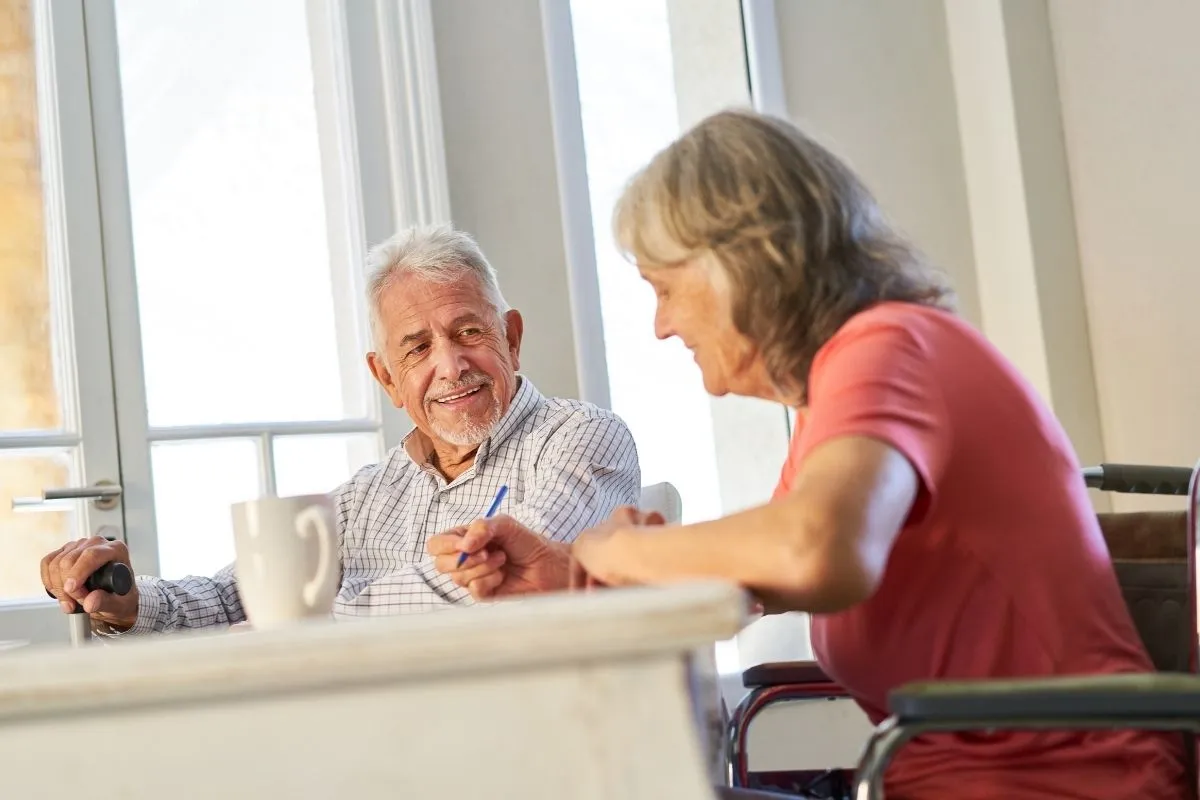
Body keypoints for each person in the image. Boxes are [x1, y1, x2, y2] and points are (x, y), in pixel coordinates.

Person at [429, 110, 1188, 799]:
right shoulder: (844, 390)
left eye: (662, 289)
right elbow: (762, 577)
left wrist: (623, 547)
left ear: (740, 264)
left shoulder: (889, 347)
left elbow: (818, 550)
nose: (660, 327)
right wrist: (572, 569)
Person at [41, 225, 640, 634]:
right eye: (416, 349)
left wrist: (301, 627)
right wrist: (130, 602)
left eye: (468, 333)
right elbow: (241, 595)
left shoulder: (581, 437)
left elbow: (501, 579)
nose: (450, 366)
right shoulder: (365, 498)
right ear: (386, 377)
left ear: (510, 337)